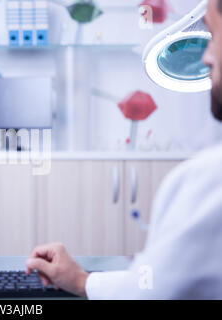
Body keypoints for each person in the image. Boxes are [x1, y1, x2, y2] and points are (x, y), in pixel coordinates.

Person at [26, 0, 222, 299]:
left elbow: (150, 291)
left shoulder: (209, 180)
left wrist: (82, 282)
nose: (206, 57)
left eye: (213, 35)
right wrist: (82, 279)